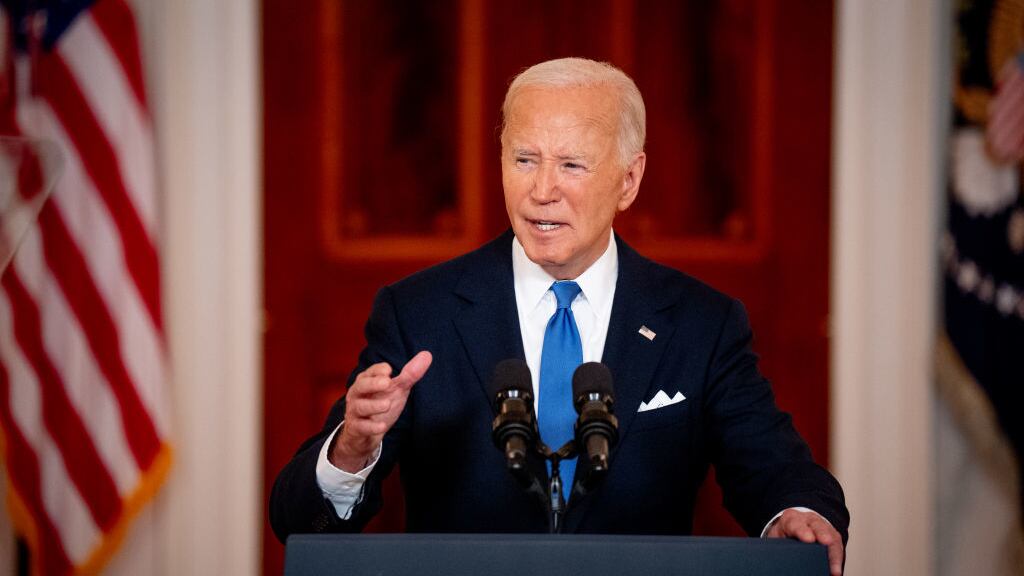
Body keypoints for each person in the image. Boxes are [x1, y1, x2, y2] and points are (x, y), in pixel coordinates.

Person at [270, 57, 849, 576]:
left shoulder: (700, 322)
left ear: (629, 179)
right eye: (525, 159)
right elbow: (298, 519)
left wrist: (796, 515)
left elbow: (774, 467)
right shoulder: (419, 312)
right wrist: (351, 448)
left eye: (571, 164)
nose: (542, 190)